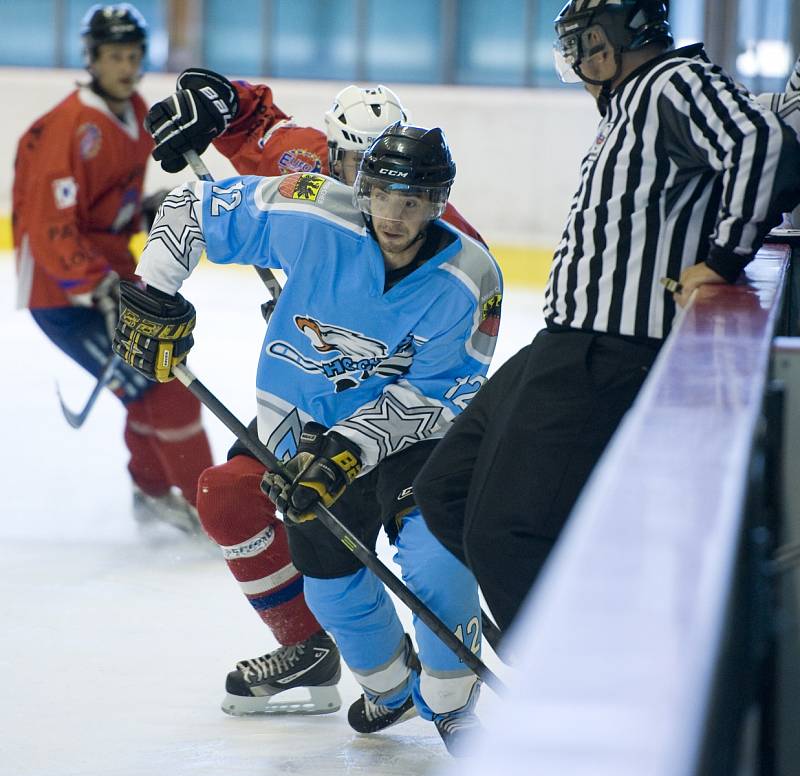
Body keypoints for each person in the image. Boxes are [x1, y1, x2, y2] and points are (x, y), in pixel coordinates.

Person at [111, 122, 502, 755]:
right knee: (329, 576)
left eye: (413, 202)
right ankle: (389, 688)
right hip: (298, 431)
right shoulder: (312, 208)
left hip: (409, 439)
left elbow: (440, 392)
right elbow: (190, 208)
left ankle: (454, 702)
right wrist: (152, 289)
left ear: (438, 204)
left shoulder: (469, 276)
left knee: (436, 558)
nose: (393, 216)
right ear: (363, 188)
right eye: (381, 196)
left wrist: (347, 452)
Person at [413, 0, 800, 633]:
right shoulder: (631, 103)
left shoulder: (673, 82)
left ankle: (570, 680)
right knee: (444, 490)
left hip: (608, 350)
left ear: (620, 36)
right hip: (565, 341)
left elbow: (765, 148)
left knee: (506, 534)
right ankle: (562, 624)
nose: (578, 59)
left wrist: (723, 260)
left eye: (585, 42)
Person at [11, 3, 213, 534]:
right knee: (160, 384)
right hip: (63, 294)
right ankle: (205, 508)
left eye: (133, 55)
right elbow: (47, 222)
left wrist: (143, 209)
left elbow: (102, 203)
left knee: (153, 378)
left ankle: (153, 493)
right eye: (114, 56)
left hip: (111, 277)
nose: (125, 66)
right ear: (92, 59)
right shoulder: (69, 127)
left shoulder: (135, 111)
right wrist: (93, 282)